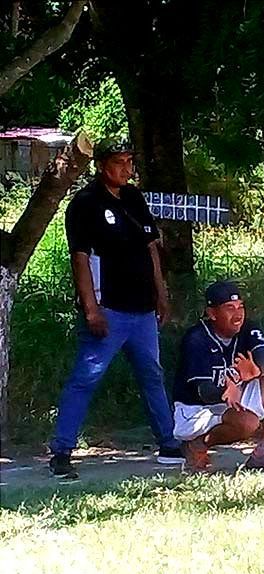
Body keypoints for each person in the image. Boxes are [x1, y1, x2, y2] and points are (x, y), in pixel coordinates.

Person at [49, 138, 182, 477]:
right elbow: (80, 258)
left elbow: (152, 248)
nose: (127, 169)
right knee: (86, 377)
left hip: (142, 310)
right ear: (101, 165)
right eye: (119, 162)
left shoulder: (135, 198)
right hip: (109, 309)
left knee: (152, 374)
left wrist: (161, 294)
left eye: (129, 161)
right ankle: (62, 451)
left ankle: (168, 443)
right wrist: (92, 309)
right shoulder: (85, 203)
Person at [173, 281, 264, 472]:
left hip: (233, 394)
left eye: (240, 307)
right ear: (212, 313)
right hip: (197, 407)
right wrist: (227, 389)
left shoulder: (248, 328)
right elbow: (203, 391)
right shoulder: (196, 338)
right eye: (229, 308)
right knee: (248, 423)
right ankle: (196, 445)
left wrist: (256, 372)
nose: (238, 314)